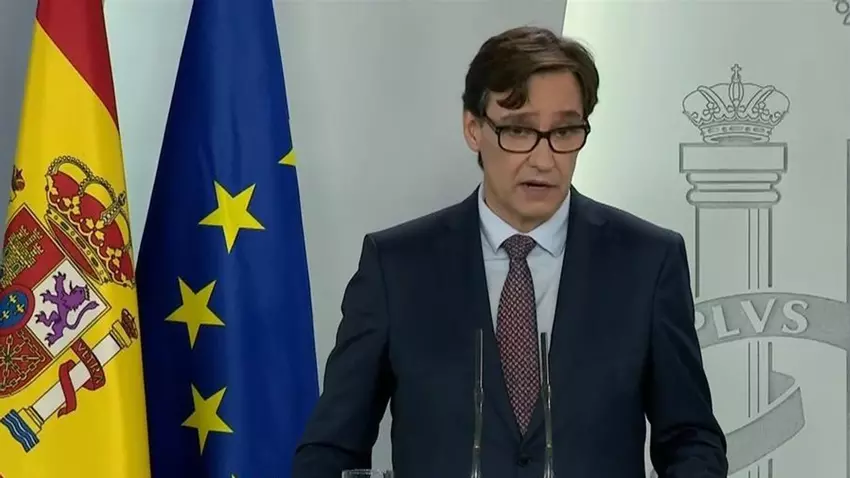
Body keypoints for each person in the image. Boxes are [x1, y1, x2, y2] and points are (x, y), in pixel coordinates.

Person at [291, 25, 728, 477]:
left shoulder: (648, 262)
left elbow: (691, 441)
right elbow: (330, 451)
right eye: (519, 130)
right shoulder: (396, 269)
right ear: (473, 128)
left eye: (564, 131)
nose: (544, 159)